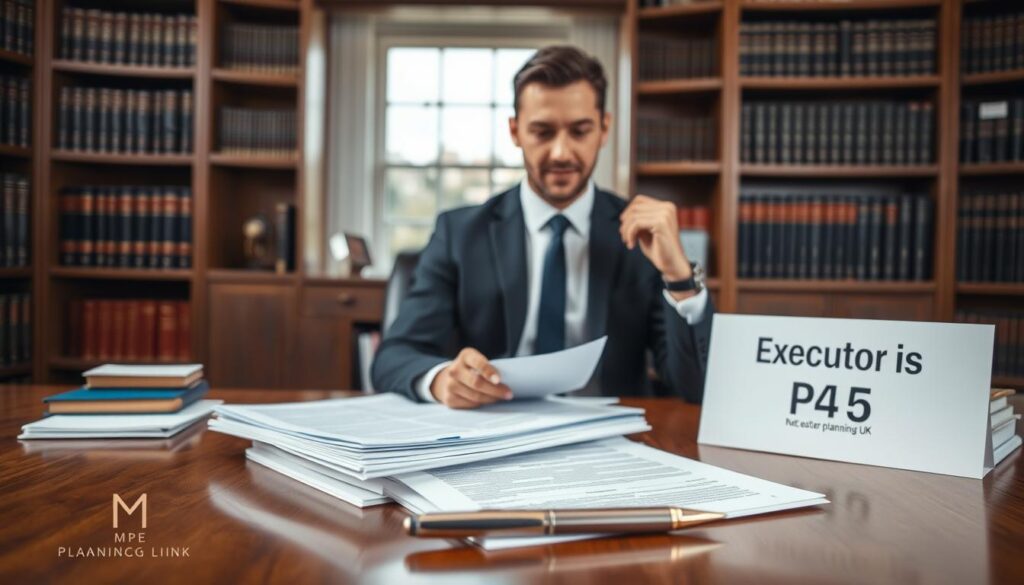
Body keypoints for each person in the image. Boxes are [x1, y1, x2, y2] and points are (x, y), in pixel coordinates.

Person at [371, 45, 714, 408]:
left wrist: (679, 277)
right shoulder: (459, 234)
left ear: (604, 129)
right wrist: (441, 380)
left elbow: (694, 388)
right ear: (516, 131)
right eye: (542, 132)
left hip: (614, 439)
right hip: (494, 430)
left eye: (580, 131)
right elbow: (394, 357)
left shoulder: (643, 237)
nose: (561, 153)